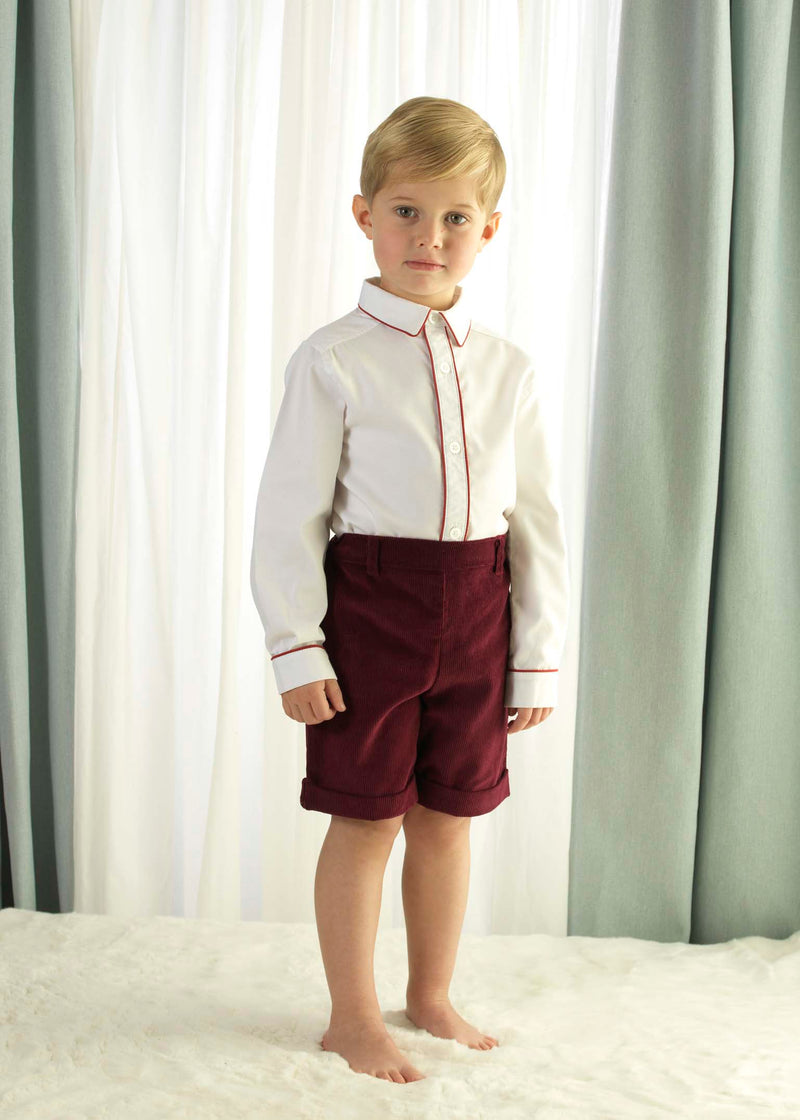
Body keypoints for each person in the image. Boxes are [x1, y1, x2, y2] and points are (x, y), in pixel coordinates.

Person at [250, 95, 570, 1085]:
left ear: (488, 229)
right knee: (366, 814)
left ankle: (427, 992)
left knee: (448, 814)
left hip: (478, 606)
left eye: (454, 218)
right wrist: (296, 645)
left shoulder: (508, 369)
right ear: (362, 214)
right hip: (373, 607)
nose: (428, 237)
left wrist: (533, 653)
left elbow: (537, 520)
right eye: (404, 211)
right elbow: (288, 515)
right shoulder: (333, 359)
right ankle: (350, 1014)